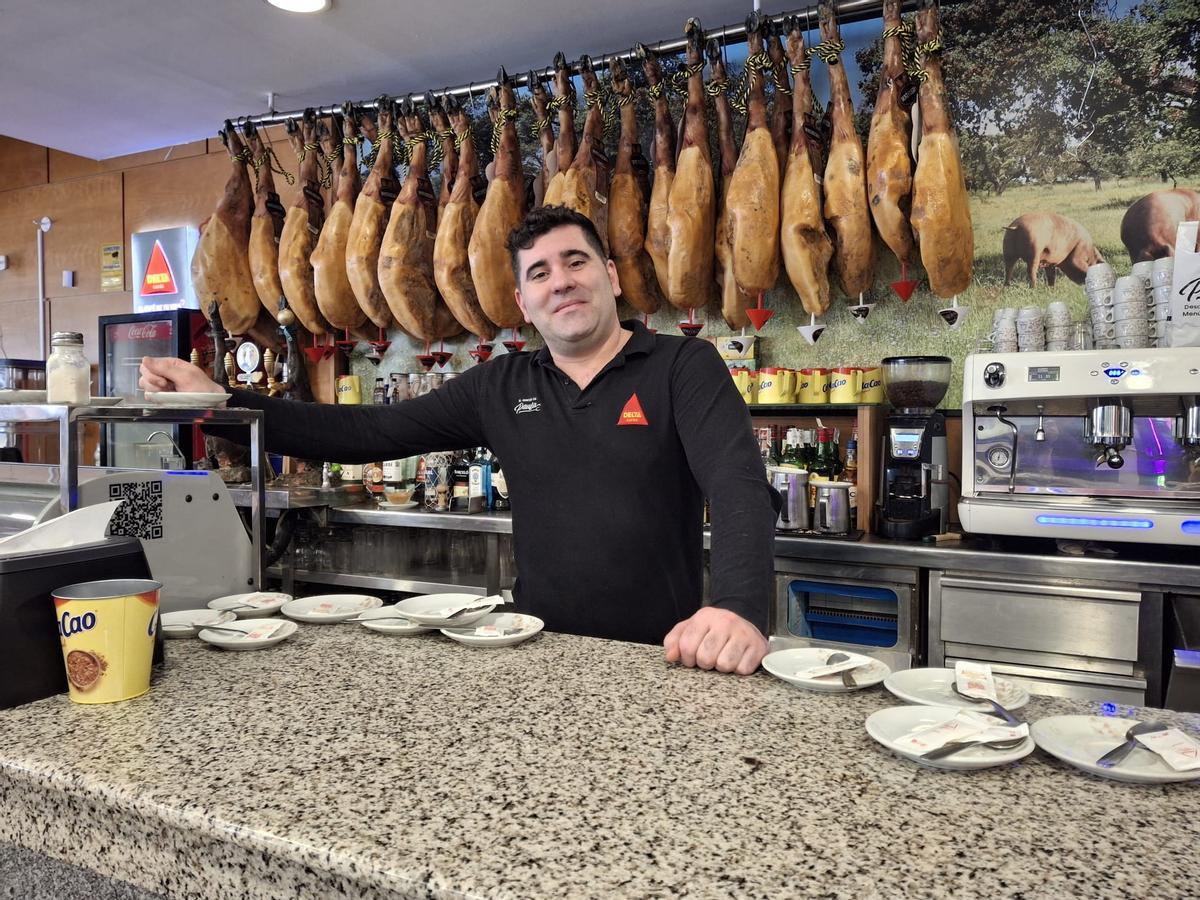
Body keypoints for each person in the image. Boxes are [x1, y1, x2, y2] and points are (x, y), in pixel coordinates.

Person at [141, 206, 778, 674]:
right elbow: (364, 432)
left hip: (662, 656)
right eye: (539, 273)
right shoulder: (499, 385)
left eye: (576, 262)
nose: (560, 281)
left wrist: (738, 608)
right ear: (524, 304)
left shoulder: (681, 366)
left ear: (611, 278)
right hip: (534, 653)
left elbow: (737, 483)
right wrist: (220, 404)